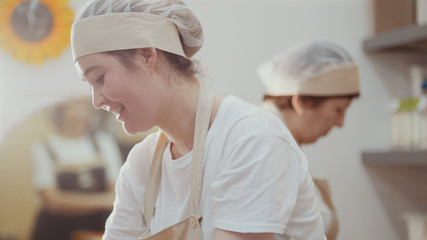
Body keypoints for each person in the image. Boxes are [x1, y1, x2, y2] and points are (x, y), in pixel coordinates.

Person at [70, 1, 326, 239]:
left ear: (146, 55)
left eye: (99, 78)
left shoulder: (251, 138)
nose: (96, 100)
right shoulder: (143, 163)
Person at [257, 39, 360, 240]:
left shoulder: (281, 142)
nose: (340, 123)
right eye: (338, 110)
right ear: (301, 102)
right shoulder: (270, 146)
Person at [30, 98, 123, 240]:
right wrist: (104, 201)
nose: (85, 111)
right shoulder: (43, 147)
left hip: (97, 227)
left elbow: (116, 191)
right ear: (60, 111)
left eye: (86, 106)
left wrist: (70, 201)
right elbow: (51, 201)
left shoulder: (103, 142)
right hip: (55, 230)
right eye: (77, 106)